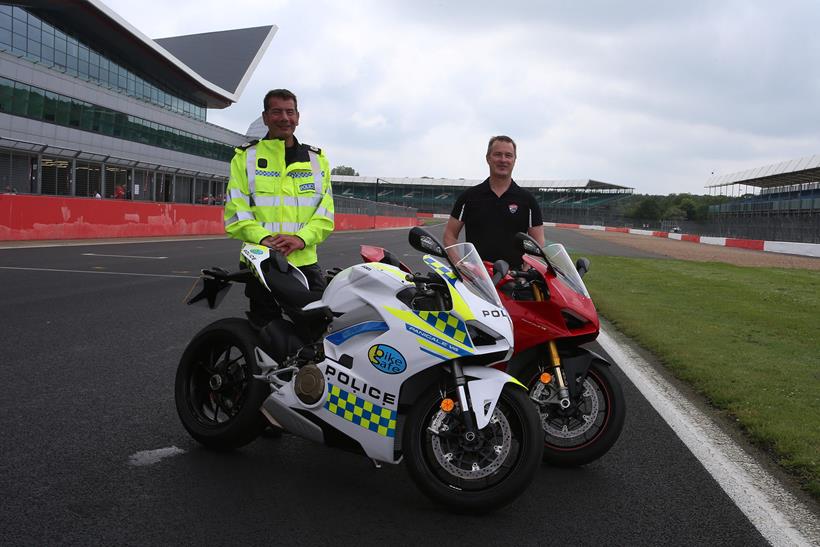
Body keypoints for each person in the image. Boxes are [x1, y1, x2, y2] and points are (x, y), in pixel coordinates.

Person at [224, 88, 334, 325]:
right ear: (265, 117)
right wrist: (265, 239)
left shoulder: (318, 160)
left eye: (290, 112)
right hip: (261, 260)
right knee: (266, 330)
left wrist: (300, 239)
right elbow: (236, 213)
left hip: (304, 260)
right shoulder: (245, 158)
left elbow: (325, 215)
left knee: (317, 326)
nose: (284, 118)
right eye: (277, 112)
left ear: (298, 116)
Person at [444, 135, 545, 268]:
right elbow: (449, 235)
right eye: (498, 154)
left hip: (514, 281)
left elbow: (538, 242)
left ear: (514, 160)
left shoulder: (527, 200)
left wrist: (525, 272)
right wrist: (460, 265)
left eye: (508, 155)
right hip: (478, 281)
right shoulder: (469, 197)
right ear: (488, 158)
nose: (503, 160)